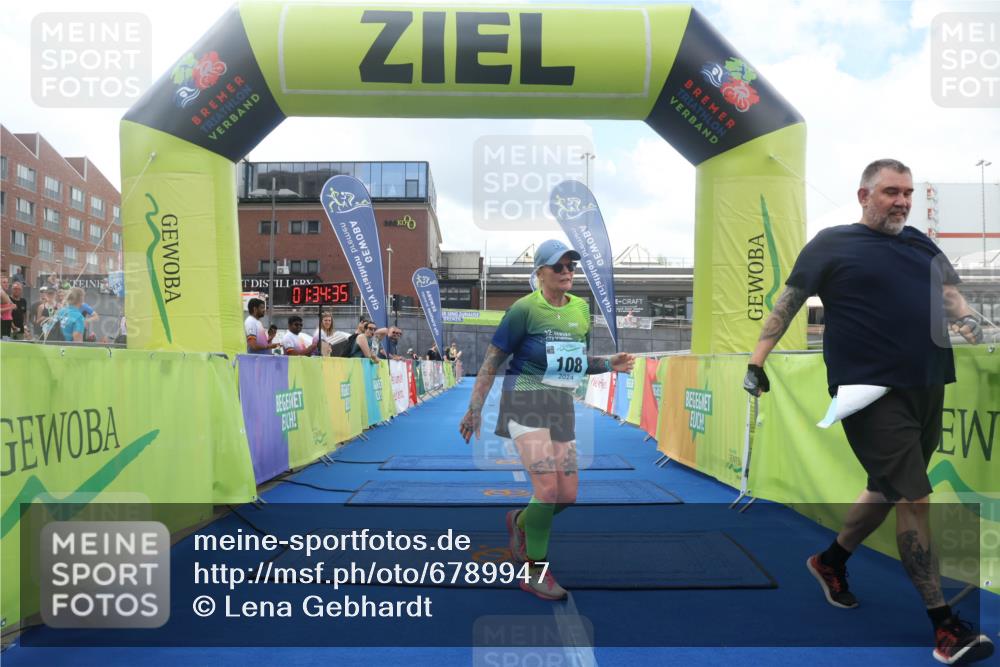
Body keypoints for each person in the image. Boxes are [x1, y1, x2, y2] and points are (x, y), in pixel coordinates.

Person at [743, 159, 992, 666]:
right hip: (869, 392)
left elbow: (948, 294)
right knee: (915, 499)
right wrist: (755, 361)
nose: (902, 201)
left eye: (907, 192)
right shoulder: (831, 244)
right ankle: (945, 626)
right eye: (891, 193)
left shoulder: (921, 243)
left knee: (886, 487)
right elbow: (788, 302)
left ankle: (829, 561)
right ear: (864, 195)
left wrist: (968, 318)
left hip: (928, 383)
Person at [459, 239, 635, 600]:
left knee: (567, 495)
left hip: (560, 406)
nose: (568, 271)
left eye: (571, 265)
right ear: (540, 272)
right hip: (524, 402)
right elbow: (491, 362)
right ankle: (534, 572)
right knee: (547, 490)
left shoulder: (582, 310)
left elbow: (574, 362)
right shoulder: (523, 310)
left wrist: (607, 364)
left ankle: (521, 522)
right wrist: (474, 409)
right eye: (559, 266)